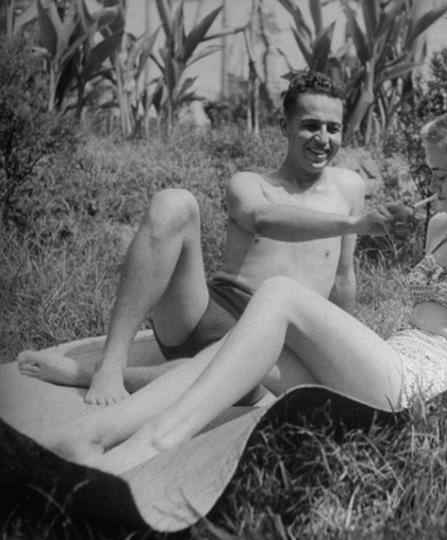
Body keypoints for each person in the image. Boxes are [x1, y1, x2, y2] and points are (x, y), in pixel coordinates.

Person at [39, 103, 447, 475]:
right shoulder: (442, 226)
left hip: (423, 390)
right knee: (228, 353)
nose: (431, 184)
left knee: (279, 294)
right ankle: (97, 432)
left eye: (440, 175)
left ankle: (149, 448)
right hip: (387, 365)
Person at [17, 70, 397, 406]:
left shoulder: (350, 188)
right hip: (210, 315)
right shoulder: (250, 184)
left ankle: (81, 374)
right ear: (285, 127)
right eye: (310, 125)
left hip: (279, 336)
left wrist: (344, 353)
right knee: (174, 202)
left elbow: (343, 278)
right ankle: (111, 364)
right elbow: (263, 220)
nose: (323, 138)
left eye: (333, 128)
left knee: (244, 383)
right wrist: (354, 224)